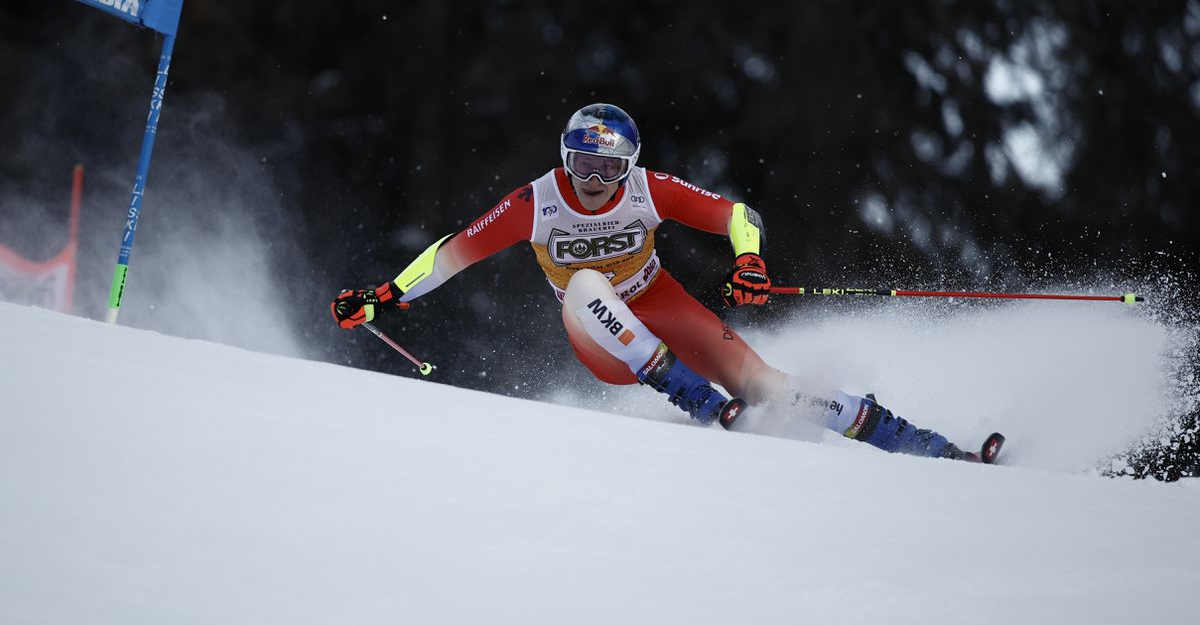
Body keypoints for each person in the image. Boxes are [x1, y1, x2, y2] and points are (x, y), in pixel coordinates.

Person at [333, 103, 1001, 462]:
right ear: (564, 159)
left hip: (660, 303)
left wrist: (749, 261)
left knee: (772, 387)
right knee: (588, 282)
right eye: (581, 164)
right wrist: (382, 297)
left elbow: (737, 214)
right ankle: (696, 399)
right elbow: (454, 252)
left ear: (631, 168)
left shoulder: (649, 191)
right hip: (601, 335)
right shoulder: (536, 202)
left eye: (608, 168)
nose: (593, 182)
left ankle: (934, 452)